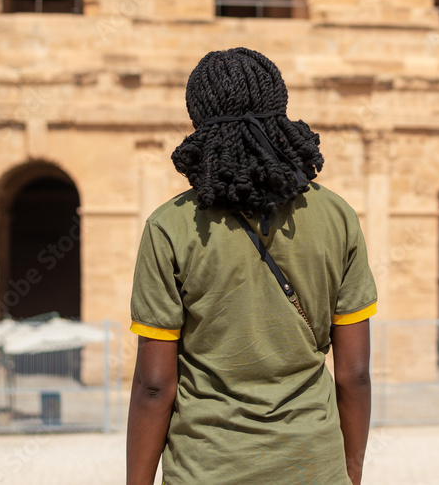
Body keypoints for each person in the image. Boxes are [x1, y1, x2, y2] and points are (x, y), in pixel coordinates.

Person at [126, 48, 378, 485]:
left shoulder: (169, 227)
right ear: (280, 111)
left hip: (206, 467)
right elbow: (353, 375)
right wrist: (349, 472)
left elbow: (154, 385)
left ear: (198, 123)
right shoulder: (338, 217)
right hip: (313, 466)